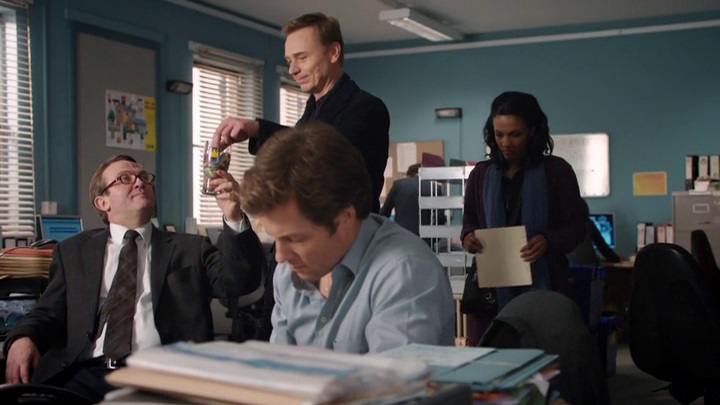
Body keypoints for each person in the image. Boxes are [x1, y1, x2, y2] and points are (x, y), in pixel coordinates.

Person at [3, 155, 265, 402]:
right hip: (87, 372)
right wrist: (23, 338)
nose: (140, 182)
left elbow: (240, 281)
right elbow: (48, 312)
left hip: (163, 374)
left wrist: (233, 214)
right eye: (125, 178)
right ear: (102, 203)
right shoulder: (74, 250)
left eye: (144, 177)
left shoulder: (191, 248)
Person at [238, 122, 455, 353]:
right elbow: (279, 368)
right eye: (276, 238)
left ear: (345, 218)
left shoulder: (405, 272)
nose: (280, 257)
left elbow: (393, 376)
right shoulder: (287, 274)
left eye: (295, 239)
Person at [213, 12, 389, 213]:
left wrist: (248, 194)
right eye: (289, 61)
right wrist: (256, 129)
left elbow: (319, 162)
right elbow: (302, 142)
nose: (292, 70)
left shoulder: (366, 108)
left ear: (333, 52)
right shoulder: (313, 108)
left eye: (302, 57)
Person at [461, 91, 587, 344]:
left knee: (545, 356)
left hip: (545, 285)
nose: (505, 143)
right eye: (499, 134)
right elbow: (469, 223)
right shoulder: (481, 175)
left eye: (515, 134)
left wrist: (548, 240)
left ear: (532, 131)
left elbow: (578, 226)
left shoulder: (556, 171)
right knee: (494, 357)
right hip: (492, 292)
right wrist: (469, 238)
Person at [380, 163, 446, 237]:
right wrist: (433, 236)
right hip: (424, 237)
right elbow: (440, 217)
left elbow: (384, 213)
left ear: (408, 175)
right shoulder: (434, 187)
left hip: (401, 235)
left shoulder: (398, 185)